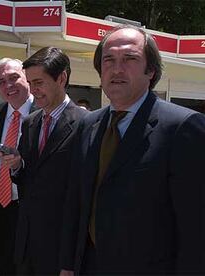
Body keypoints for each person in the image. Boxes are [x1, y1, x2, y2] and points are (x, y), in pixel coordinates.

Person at [60, 25, 205, 275]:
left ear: (151, 70)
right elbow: (77, 202)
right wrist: (67, 266)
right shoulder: (88, 125)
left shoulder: (183, 127)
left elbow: (196, 228)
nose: (117, 69)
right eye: (109, 60)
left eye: (130, 59)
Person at [1, 47, 88, 274]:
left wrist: (70, 261)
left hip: (60, 252)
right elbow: (29, 180)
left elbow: (81, 199)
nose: (33, 91)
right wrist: (17, 166)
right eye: (30, 83)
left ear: (61, 78)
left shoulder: (86, 124)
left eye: (38, 82)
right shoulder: (31, 122)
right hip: (27, 247)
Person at [0, 58, 35, 275]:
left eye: (14, 78)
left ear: (27, 79)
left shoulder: (46, 113)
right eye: (1, 82)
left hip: (31, 211)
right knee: (5, 267)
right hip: (1, 211)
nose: (8, 86)